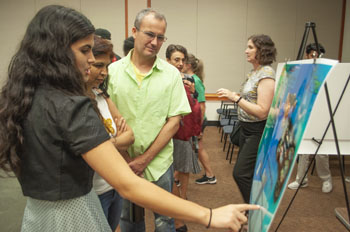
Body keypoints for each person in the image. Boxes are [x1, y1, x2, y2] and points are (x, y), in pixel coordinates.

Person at [0, 5, 259, 232]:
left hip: (38, 215)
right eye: (85, 50)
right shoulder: (71, 105)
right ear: (55, 51)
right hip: (73, 215)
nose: (92, 60)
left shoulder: (25, 96)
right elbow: (128, 185)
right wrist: (209, 214)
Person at [217, 34, 277, 204]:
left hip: (256, 130)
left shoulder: (266, 74)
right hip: (245, 127)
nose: (246, 51)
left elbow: (262, 111)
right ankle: (253, 209)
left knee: (240, 173)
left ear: (262, 50)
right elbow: (252, 99)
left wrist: (235, 98)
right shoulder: (254, 72)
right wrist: (236, 95)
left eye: (250, 47)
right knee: (249, 173)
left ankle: (256, 211)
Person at [88, 35, 134, 231]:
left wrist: (106, 145)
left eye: (107, 66)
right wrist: (117, 141)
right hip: (94, 191)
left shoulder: (101, 96)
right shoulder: (75, 104)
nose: (104, 73)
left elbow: (130, 136)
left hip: (113, 185)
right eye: (99, 65)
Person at [287, 43, 333, 193]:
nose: (317, 58)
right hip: (304, 115)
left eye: (319, 56)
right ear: (307, 55)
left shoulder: (327, 71)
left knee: (321, 152)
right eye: (313, 55)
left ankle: (326, 179)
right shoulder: (302, 71)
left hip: (321, 116)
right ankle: (301, 180)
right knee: (302, 150)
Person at [166, 45, 201, 232]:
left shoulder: (187, 80)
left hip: (185, 131)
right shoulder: (164, 79)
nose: (179, 64)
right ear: (168, 61)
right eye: (175, 60)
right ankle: (174, 203)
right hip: (170, 132)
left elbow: (194, 107)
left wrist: (193, 91)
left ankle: (182, 200)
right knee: (169, 170)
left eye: (182, 60)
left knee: (184, 168)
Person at [183, 53, 217, 185]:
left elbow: (202, 106)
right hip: (193, 121)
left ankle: (210, 175)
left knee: (197, 147)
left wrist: (199, 127)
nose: (180, 65)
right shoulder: (189, 78)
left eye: (183, 62)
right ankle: (210, 175)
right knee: (195, 148)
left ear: (189, 65)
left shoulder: (195, 81)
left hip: (199, 121)